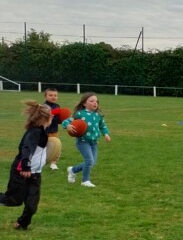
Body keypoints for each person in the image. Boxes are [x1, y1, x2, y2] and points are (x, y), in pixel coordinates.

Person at [1, 101, 51, 231]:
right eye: (50, 116)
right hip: (21, 171)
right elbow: (26, 148)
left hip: (35, 174)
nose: (53, 118)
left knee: (32, 205)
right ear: (45, 118)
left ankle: (22, 223)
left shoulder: (42, 130)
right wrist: (25, 166)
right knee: (13, 200)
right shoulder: (34, 132)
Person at [62, 92, 111, 188]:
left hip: (94, 142)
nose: (95, 103)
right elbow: (66, 121)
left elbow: (102, 126)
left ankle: (73, 170)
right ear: (84, 103)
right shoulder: (80, 114)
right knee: (89, 161)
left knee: (92, 162)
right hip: (83, 142)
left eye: (96, 101)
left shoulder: (98, 115)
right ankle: (85, 181)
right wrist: (67, 126)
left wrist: (106, 134)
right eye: (91, 101)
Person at [43, 87, 63, 170]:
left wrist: (63, 119)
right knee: (42, 147)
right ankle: (38, 161)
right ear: (45, 96)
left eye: (55, 95)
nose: (53, 97)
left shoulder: (57, 106)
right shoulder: (44, 106)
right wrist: (54, 113)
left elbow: (58, 119)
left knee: (56, 148)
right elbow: (44, 118)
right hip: (44, 131)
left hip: (54, 131)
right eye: (50, 95)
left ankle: (53, 164)